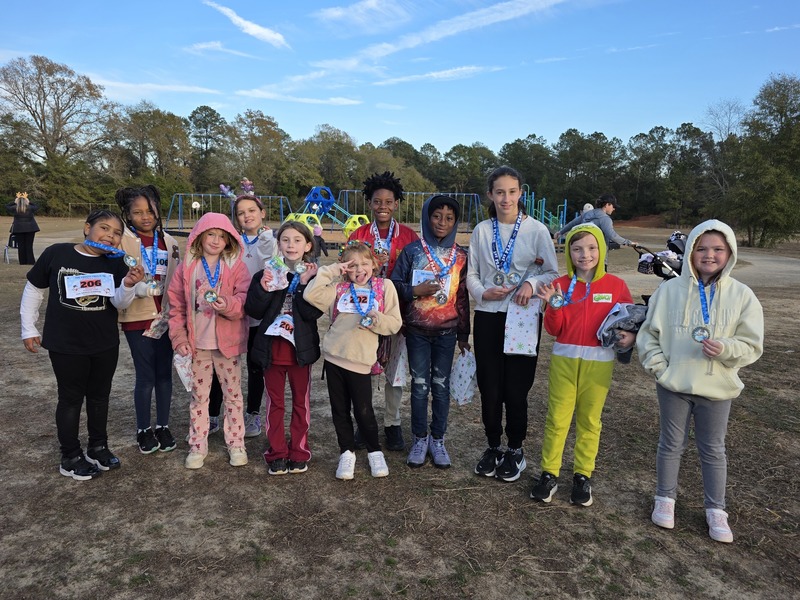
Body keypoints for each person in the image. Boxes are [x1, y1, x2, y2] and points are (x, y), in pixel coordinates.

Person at [636, 219, 764, 543]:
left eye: (718, 249)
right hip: (674, 386)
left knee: (713, 449)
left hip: (717, 389)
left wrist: (726, 349)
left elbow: (751, 344)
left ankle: (715, 509)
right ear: (690, 251)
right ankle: (665, 499)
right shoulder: (669, 290)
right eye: (702, 248)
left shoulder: (742, 296)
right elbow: (649, 334)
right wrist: (660, 369)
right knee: (670, 443)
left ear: (730, 253)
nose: (709, 255)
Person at [20, 209, 144, 480]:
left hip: (104, 343)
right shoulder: (57, 253)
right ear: (87, 228)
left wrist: (129, 284)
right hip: (65, 344)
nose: (110, 236)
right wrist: (28, 328)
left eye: (116, 233)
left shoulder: (116, 263)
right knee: (70, 399)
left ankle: (98, 447)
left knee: (100, 397)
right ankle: (70, 455)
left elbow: (119, 302)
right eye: (104, 229)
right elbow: (34, 289)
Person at [530, 224, 634, 506]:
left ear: (601, 250)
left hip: (599, 364)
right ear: (569, 253)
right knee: (557, 419)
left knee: (590, 421)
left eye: (591, 248)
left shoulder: (616, 286)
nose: (584, 254)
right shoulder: (560, 285)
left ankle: (582, 475)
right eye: (577, 249)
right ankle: (550, 473)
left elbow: (626, 323)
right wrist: (553, 306)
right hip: (565, 360)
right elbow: (554, 329)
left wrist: (629, 336)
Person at [467, 166, 558, 482]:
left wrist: (531, 286)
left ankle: (516, 449)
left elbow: (552, 273)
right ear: (490, 195)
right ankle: (493, 446)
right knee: (490, 388)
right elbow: (472, 275)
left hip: (522, 318)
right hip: (489, 316)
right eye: (499, 192)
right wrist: (482, 292)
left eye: (512, 191)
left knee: (516, 390)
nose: (506, 198)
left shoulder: (537, 231)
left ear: (521, 193)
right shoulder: (481, 231)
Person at [304, 240, 402, 480]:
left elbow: (395, 323)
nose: (359, 270)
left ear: (374, 264)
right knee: (339, 410)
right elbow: (310, 294)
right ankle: (346, 451)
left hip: (361, 360)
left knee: (364, 410)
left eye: (364, 264)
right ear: (344, 268)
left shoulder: (384, 287)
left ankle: (374, 452)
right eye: (352, 265)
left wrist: (377, 318)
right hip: (334, 358)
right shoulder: (338, 289)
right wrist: (332, 270)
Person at [390, 195, 470, 469]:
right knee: (420, 386)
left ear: (455, 222)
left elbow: (461, 297)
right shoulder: (412, 252)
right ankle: (419, 438)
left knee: (441, 386)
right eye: (437, 216)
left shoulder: (461, 256)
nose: (442, 222)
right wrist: (414, 291)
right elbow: (393, 284)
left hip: (447, 333)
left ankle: (438, 439)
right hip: (417, 332)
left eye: (449, 218)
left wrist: (463, 334)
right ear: (427, 217)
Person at [167, 212, 251, 470]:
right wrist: (179, 338)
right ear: (199, 237)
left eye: (222, 237)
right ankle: (197, 445)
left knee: (233, 396)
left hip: (227, 346)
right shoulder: (187, 268)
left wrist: (227, 305)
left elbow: (244, 300)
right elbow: (177, 307)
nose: (215, 241)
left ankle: (236, 443)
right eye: (211, 234)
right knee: (199, 397)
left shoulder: (236, 266)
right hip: (198, 345)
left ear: (229, 241)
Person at [348, 171, 419, 451]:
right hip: (362, 316)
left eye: (389, 202)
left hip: (396, 315)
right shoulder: (358, 236)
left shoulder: (410, 237)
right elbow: (347, 273)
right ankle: (363, 424)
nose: (383, 207)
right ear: (369, 203)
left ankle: (392, 423)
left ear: (397, 204)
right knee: (361, 370)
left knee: (395, 371)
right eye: (377, 201)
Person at [245, 222, 322, 475]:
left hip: (300, 350)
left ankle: (299, 451)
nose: (291, 245)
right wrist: (265, 289)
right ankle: (277, 452)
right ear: (278, 244)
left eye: (297, 240)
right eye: (286, 240)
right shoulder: (266, 273)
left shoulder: (314, 276)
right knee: (275, 404)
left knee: (301, 403)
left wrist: (303, 284)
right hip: (271, 350)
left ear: (308, 245)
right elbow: (253, 311)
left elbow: (313, 313)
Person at [115, 185, 181, 454]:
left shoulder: (172, 242)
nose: (145, 217)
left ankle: (162, 426)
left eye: (150, 211)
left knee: (165, 374)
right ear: (128, 215)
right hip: (138, 317)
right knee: (145, 376)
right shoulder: (123, 241)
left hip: (167, 316)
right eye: (137, 212)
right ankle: (143, 429)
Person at [212, 194, 277, 439]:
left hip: (260, 314)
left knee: (255, 366)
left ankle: (252, 413)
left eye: (252, 210)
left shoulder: (272, 239)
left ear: (262, 213)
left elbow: (274, 268)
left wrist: (267, 243)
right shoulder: (230, 242)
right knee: (223, 362)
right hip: (232, 312)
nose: (247, 215)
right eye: (241, 213)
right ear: (236, 219)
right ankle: (212, 413)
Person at [555, 194, 638, 250]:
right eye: (613, 206)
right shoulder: (605, 219)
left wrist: (560, 232)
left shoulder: (587, 214)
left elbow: (573, 223)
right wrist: (629, 243)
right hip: (598, 254)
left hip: (583, 251)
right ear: (607, 205)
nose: (614, 209)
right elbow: (612, 236)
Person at [6, 192, 40, 265]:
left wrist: (15, 201)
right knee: (29, 245)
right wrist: (28, 200)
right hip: (30, 228)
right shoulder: (30, 208)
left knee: (21, 246)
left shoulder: (15, 208)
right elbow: (37, 206)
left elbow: (7, 206)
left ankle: (22, 261)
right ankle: (30, 261)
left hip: (19, 229)